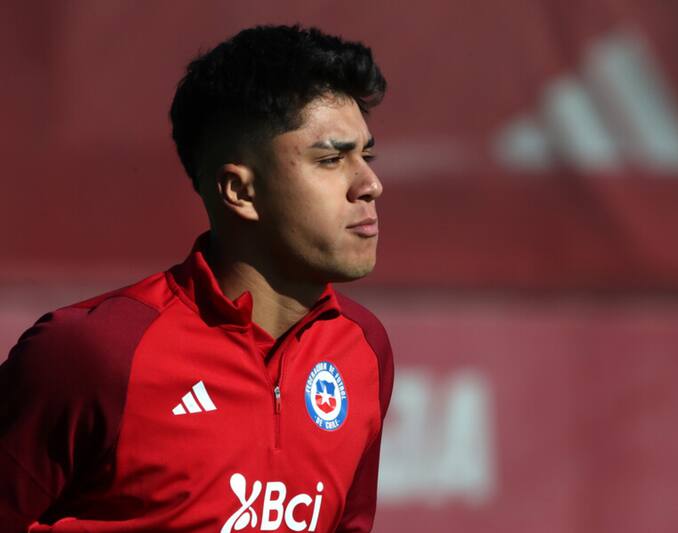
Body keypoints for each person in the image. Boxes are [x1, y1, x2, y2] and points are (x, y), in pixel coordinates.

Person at [0, 24, 394, 533]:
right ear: (239, 191)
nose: (371, 184)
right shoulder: (96, 351)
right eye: (331, 159)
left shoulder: (364, 349)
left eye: (367, 156)